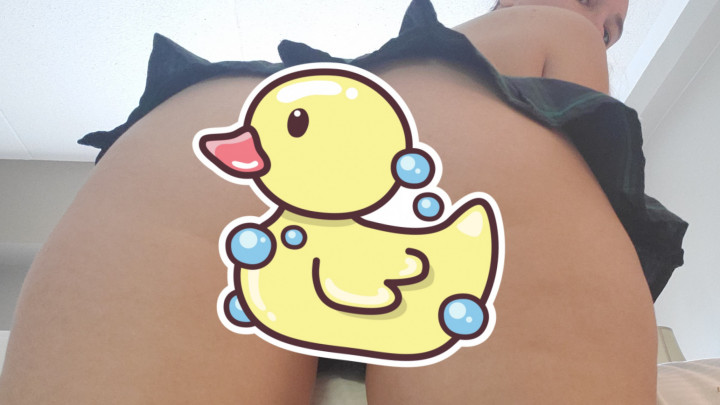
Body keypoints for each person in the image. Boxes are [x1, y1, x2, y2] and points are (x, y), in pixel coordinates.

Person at [0, 0, 680, 403]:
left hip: (214, 145)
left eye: (611, 29)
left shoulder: (387, 76)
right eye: (595, 3)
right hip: (464, 189)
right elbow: (590, 137)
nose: (601, 25)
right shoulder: (556, 26)